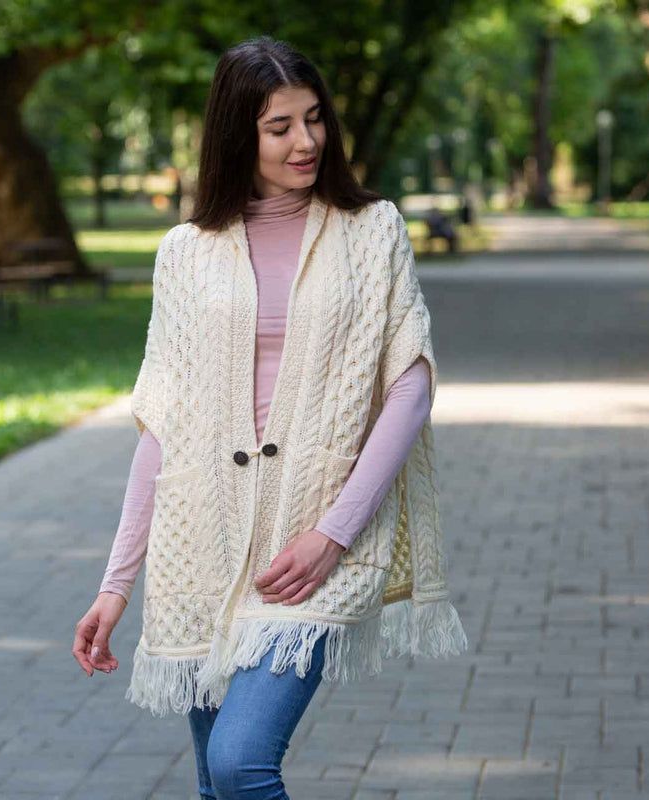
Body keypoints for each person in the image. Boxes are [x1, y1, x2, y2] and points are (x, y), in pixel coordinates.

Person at [73, 35, 467, 800]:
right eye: (279, 126)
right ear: (237, 134)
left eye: (314, 119)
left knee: (240, 762)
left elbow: (409, 388)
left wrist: (334, 533)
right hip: (204, 547)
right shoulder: (185, 253)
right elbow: (163, 423)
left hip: (319, 545)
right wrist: (116, 584)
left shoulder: (372, 229)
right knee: (214, 782)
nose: (307, 140)